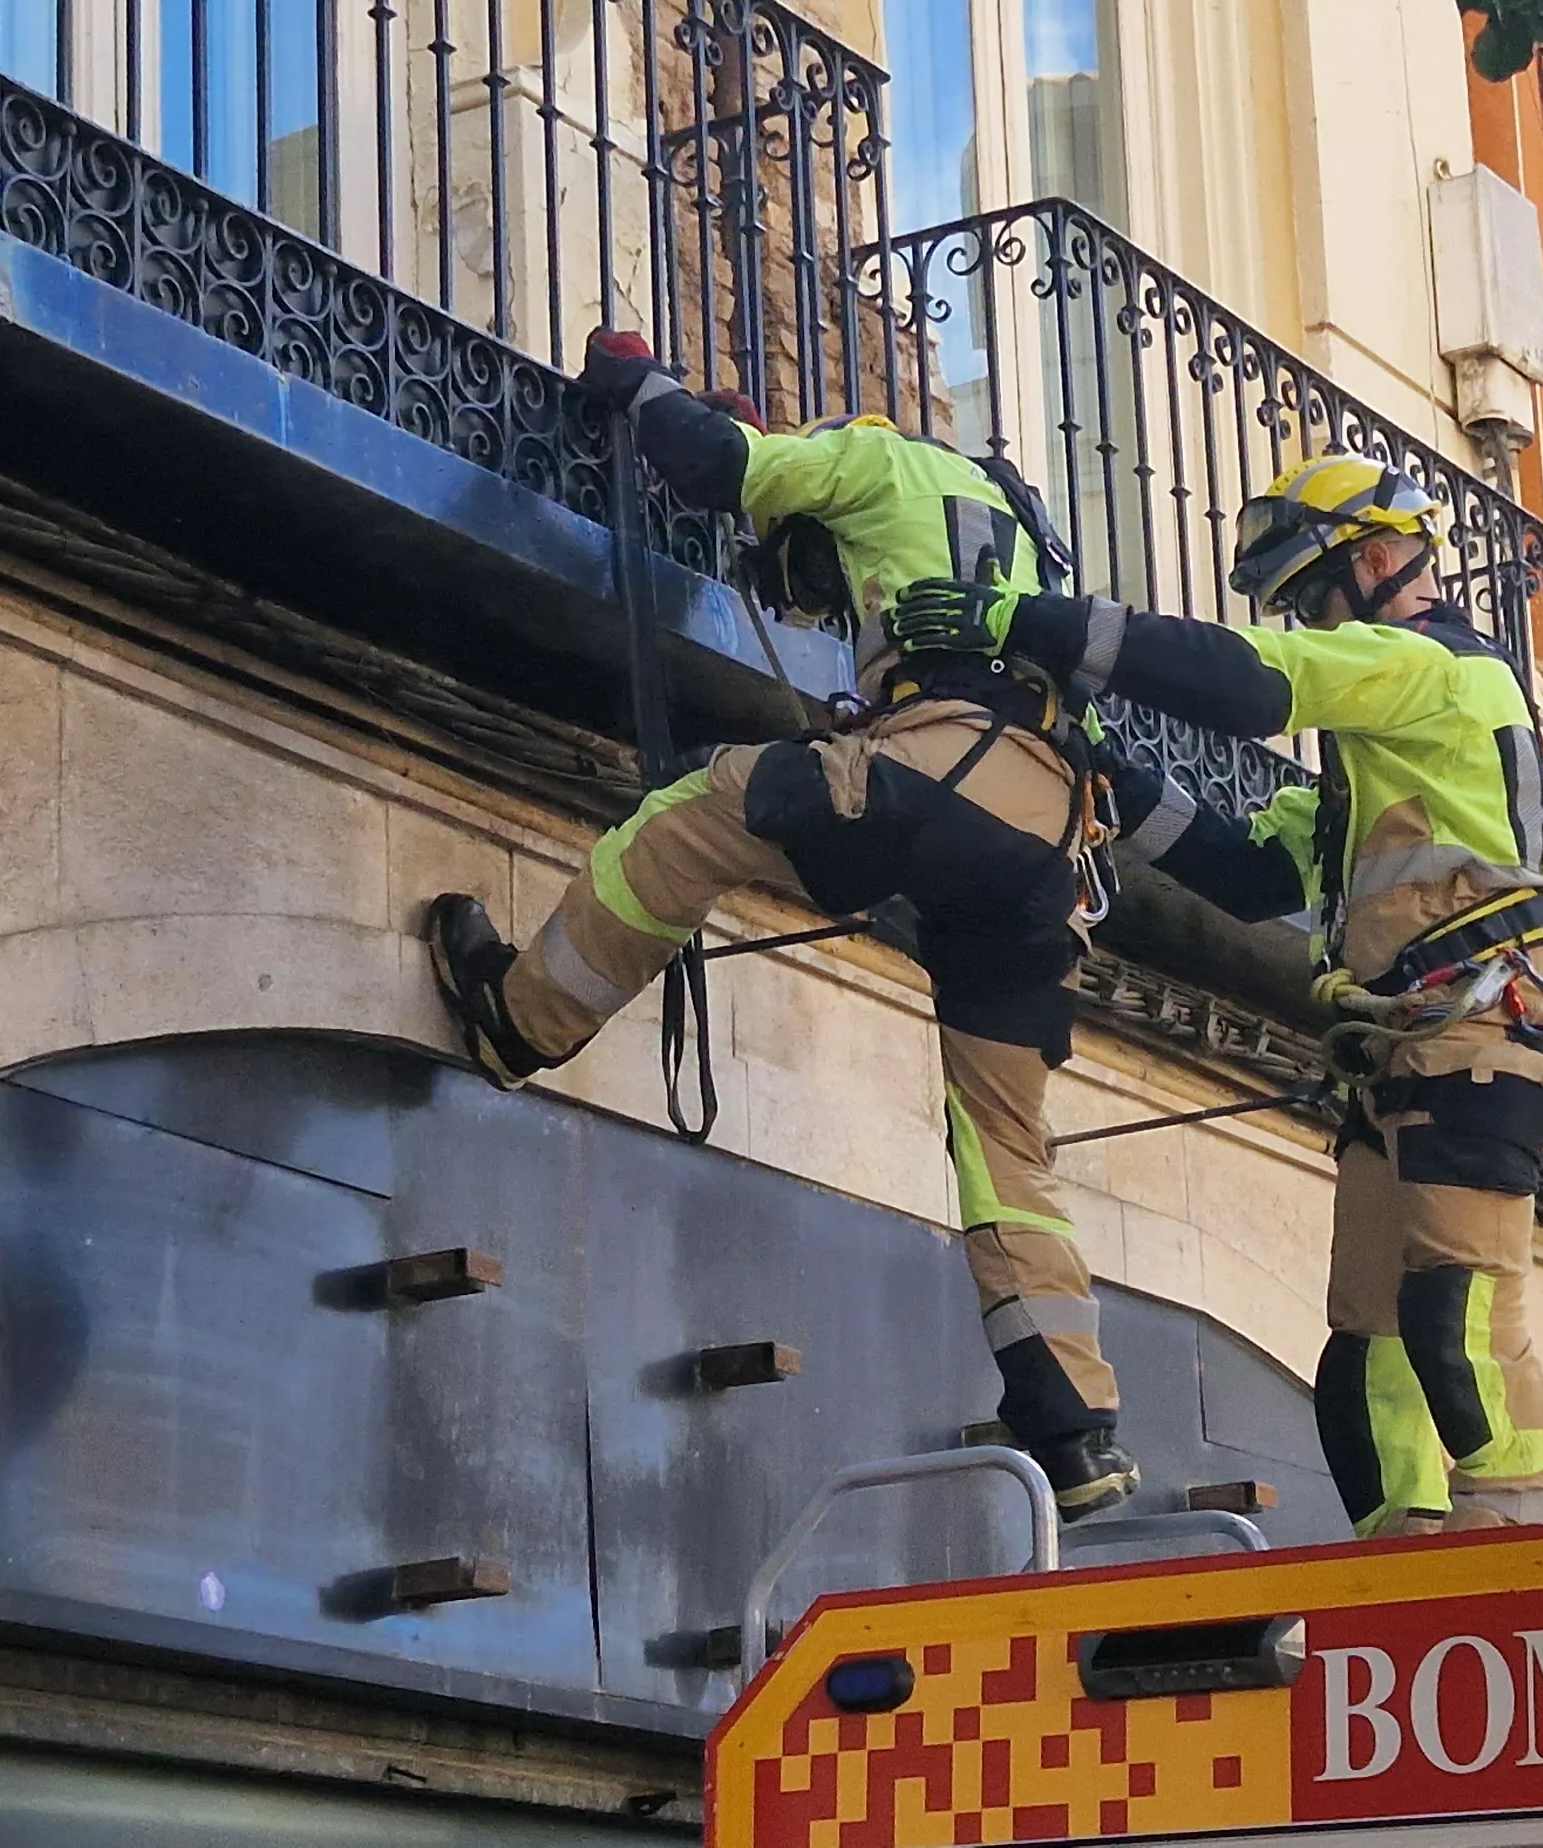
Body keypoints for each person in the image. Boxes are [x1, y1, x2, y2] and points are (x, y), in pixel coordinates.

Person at [422, 330, 1145, 1518]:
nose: (806, 599)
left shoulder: (876, 461)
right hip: (1046, 848)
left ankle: (518, 1022)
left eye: (807, 577)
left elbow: (719, 465)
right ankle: (1077, 1433)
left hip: (941, 777)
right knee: (1005, 1148)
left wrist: (635, 383)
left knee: (694, 812)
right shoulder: (1021, 541)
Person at [889, 453, 1543, 1538]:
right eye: (1300, 606)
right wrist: (1109, 775)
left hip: (1482, 1029)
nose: (1310, 621)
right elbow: (1248, 870)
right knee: (1368, 1343)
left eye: (1315, 595)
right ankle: (1403, 1548)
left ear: (1383, 561)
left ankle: (1514, 1532)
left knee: (1457, 1305)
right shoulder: (1376, 776)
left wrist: (1032, 621)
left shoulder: (1443, 669)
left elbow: (1248, 679)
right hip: (1410, 1052)